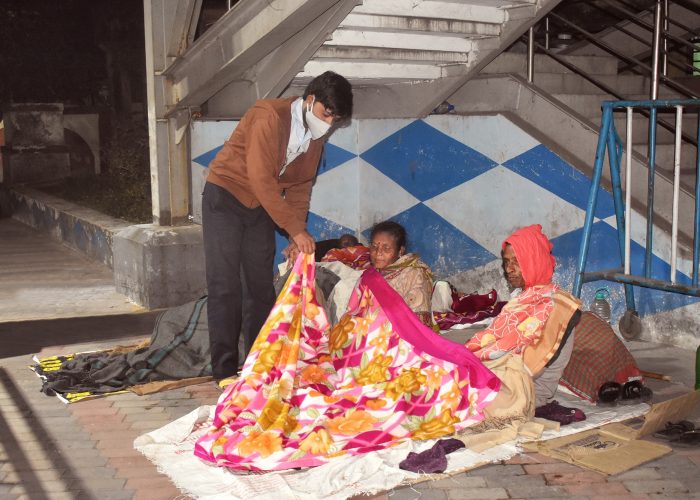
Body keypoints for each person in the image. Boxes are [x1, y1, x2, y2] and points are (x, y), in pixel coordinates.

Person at [202, 71, 353, 382]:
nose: (328, 124)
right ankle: (225, 371)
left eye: (334, 120)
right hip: (226, 198)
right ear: (310, 100)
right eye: (326, 114)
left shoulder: (315, 140)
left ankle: (259, 365)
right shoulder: (268, 115)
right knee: (225, 286)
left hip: (260, 206)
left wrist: (297, 232)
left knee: (259, 288)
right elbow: (260, 178)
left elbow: (299, 189)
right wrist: (294, 229)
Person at [465, 224, 573, 407]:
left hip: (525, 392)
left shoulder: (554, 306)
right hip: (507, 379)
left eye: (517, 261)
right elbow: (497, 342)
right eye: (507, 262)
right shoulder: (523, 298)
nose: (509, 269)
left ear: (535, 260)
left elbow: (529, 368)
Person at [368, 221, 434, 326]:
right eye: (374, 246)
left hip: (401, 334)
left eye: (386, 248)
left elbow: (418, 322)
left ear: (400, 251)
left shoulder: (413, 274)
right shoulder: (370, 274)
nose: (378, 252)